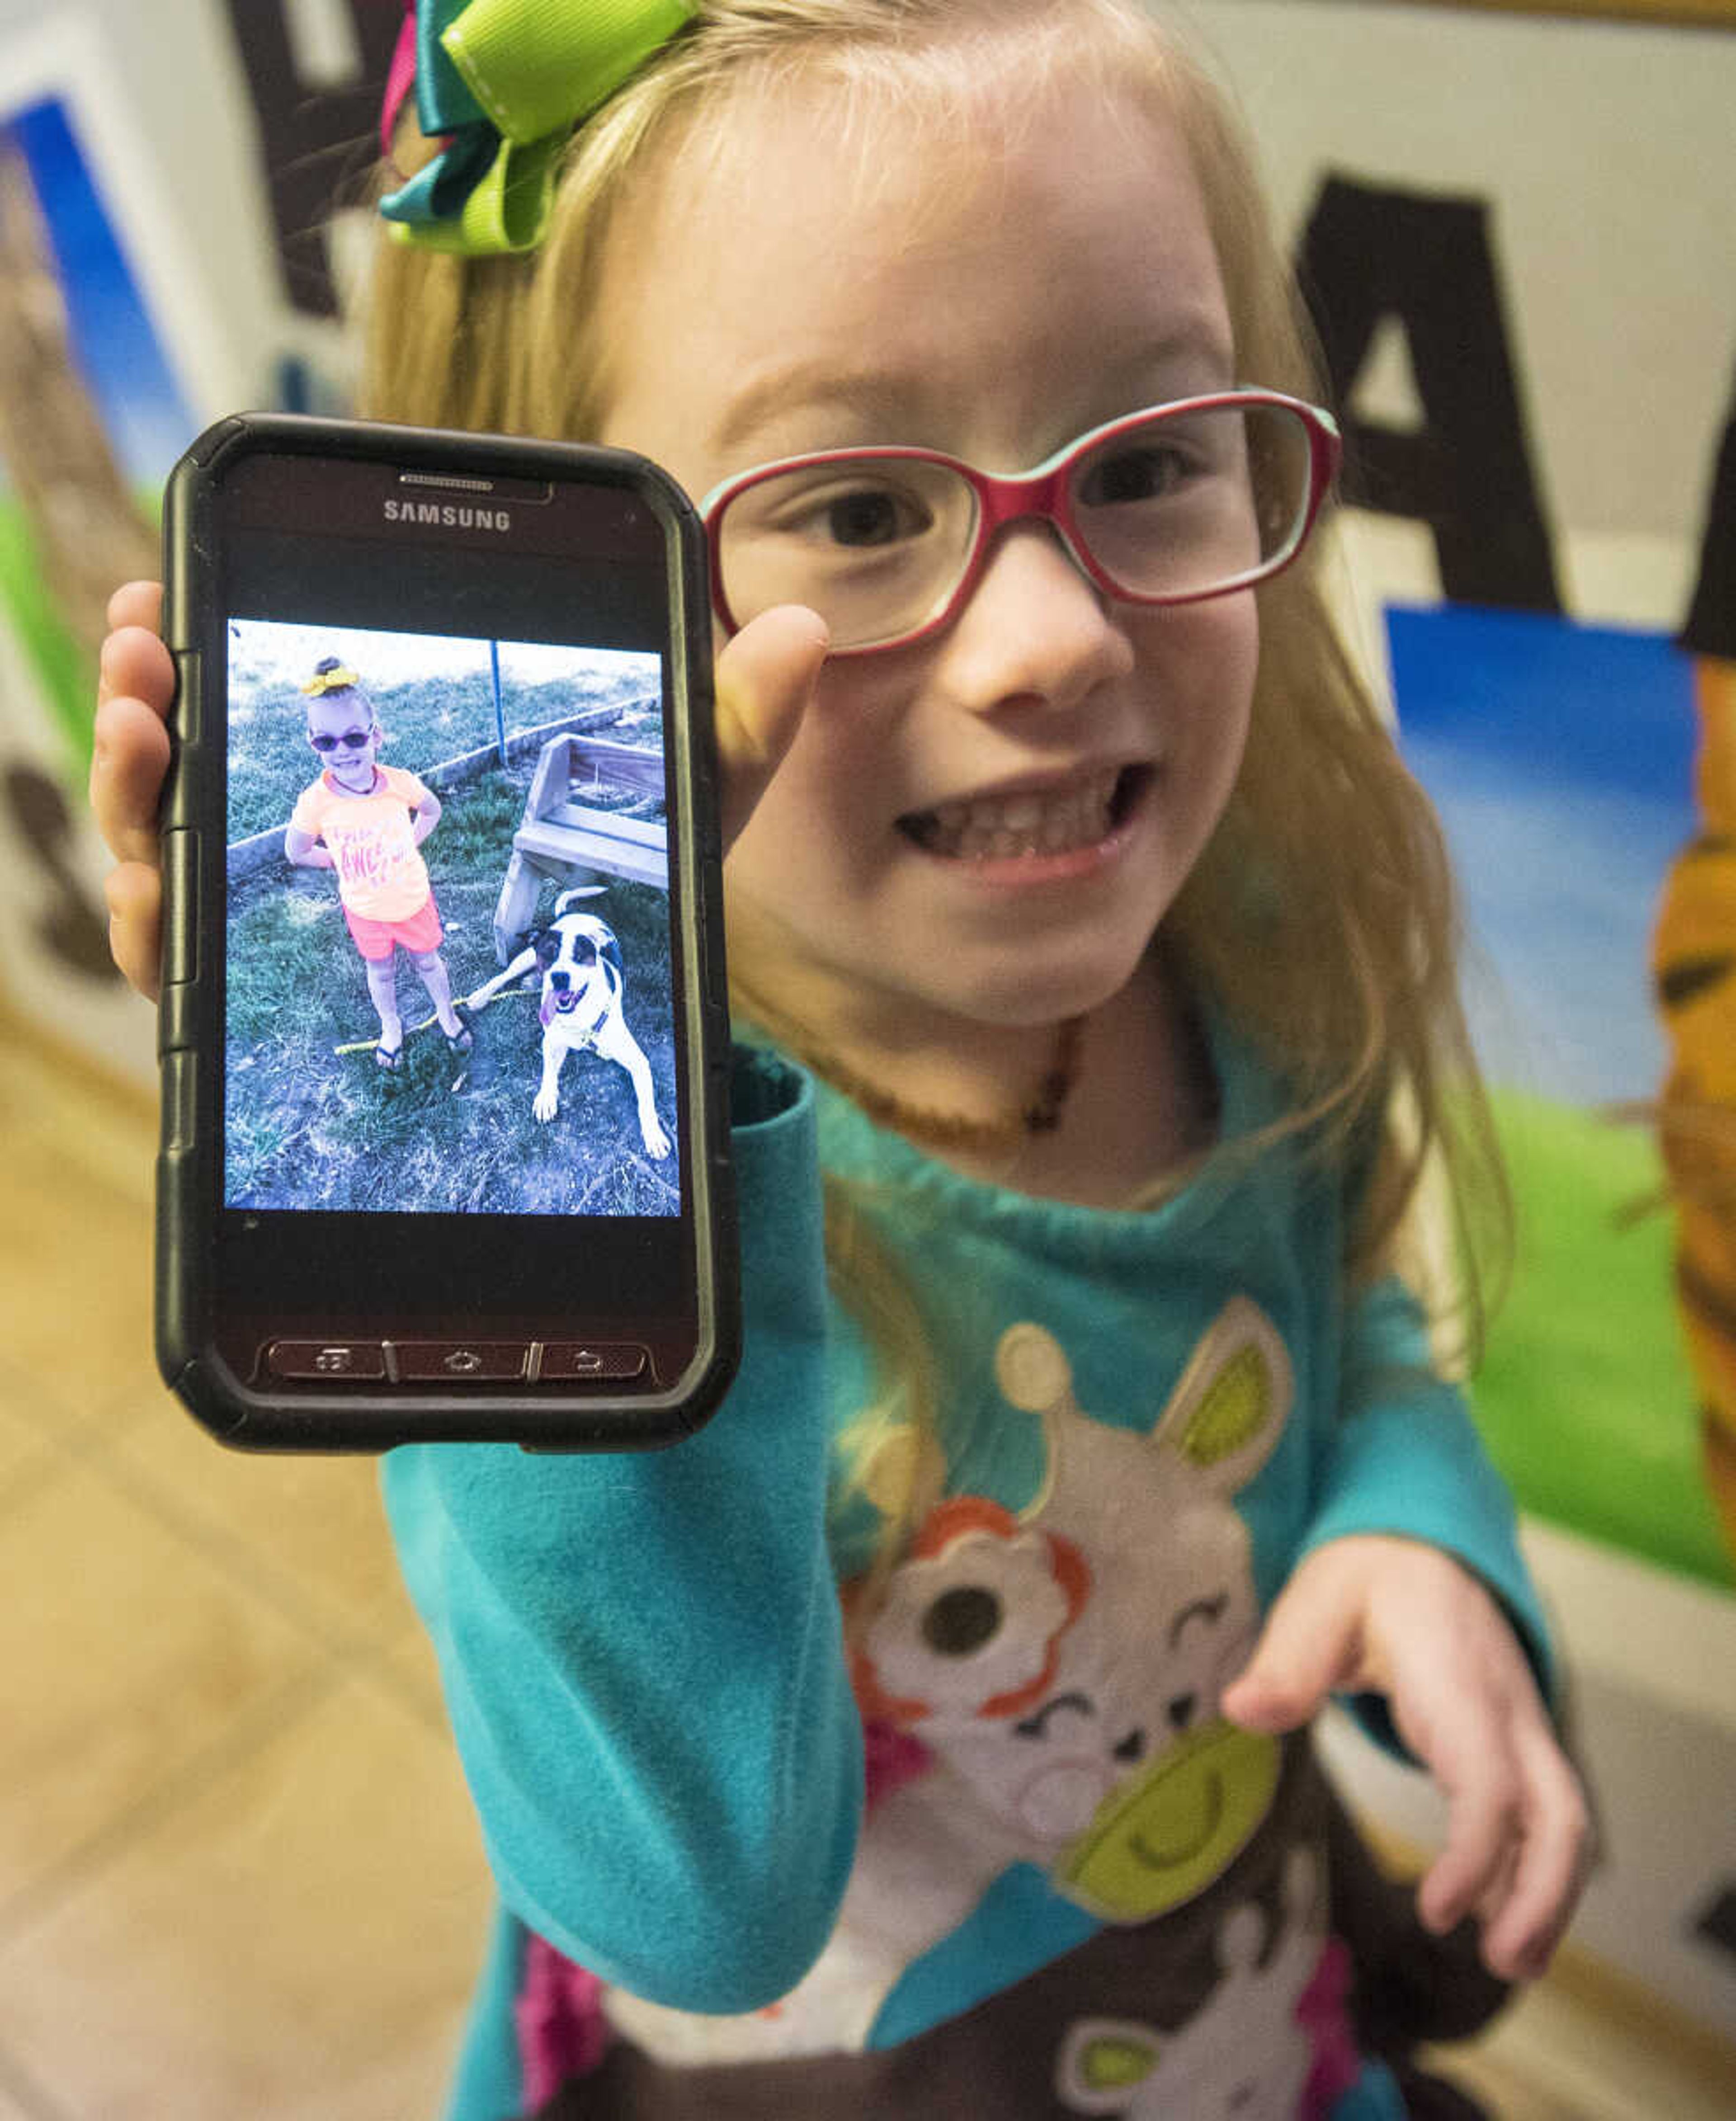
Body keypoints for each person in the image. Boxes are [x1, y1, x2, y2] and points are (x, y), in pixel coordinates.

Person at [92, 3, 1591, 2116]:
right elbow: (697, 1905)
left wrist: (1413, 1526)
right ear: (589, 586)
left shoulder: (1238, 948)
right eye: (862, 508)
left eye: (1149, 460)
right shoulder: (606, 1189)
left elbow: (1355, 1326)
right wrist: (511, 1231)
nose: (1054, 636)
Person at [285, 655, 473, 1068]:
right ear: (312, 743)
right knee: (382, 972)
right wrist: (335, 860)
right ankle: (390, 1025)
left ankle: (446, 1013)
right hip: (365, 912)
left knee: (428, 961)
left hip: (412, 902)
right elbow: (296, 851)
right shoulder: (315, 803)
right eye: (326, 742)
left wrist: (410, 841)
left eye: (354, 738)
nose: (342, 751)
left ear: (376, 737)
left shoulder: (399, 784)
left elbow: (432, 811)